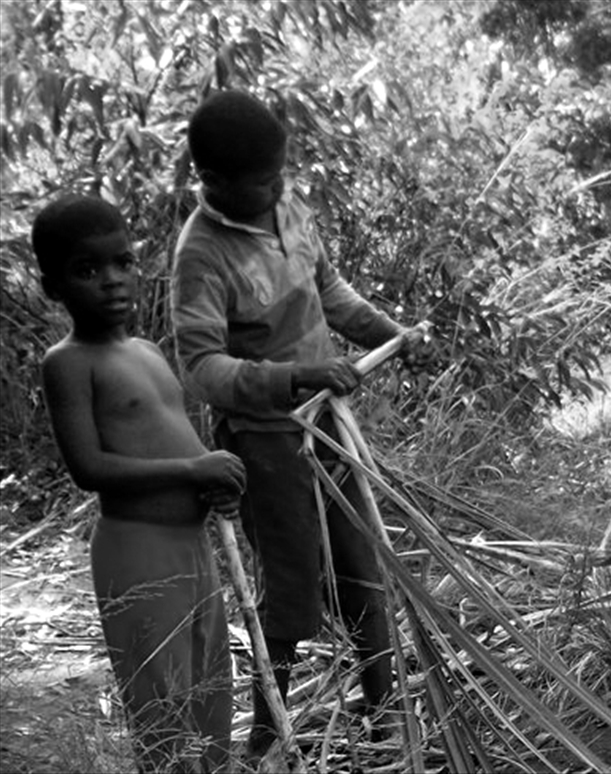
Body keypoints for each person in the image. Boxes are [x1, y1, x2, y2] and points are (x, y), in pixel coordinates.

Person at [170, 89, 431, 760]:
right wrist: (294, 377)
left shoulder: (287, 205)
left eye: (281, 172)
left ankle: (385, 724)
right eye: (264, 180)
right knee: (289, 589)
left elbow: (328, 290)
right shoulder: (201, 255)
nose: (280, 186)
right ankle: (268, 743)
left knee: (363, 571)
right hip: (265, 442)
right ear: (214, 183)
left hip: (329, 429)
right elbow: (202, 367)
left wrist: (389, 332)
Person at [33, 195, 246, 773]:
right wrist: (191, 470)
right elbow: (89, 468)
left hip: (193, 550)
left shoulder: (149, 352)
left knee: (209, 694)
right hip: (138, 551)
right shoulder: (69, 362)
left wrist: (218, 476)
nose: (111, 281)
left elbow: (181, 440)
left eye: (122, 263)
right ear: (54, 288)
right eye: (87, 270)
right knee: (164, 704)